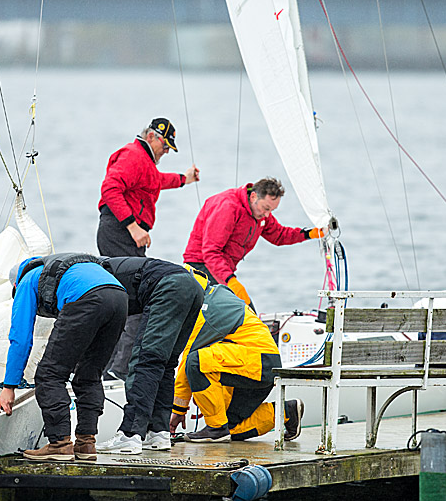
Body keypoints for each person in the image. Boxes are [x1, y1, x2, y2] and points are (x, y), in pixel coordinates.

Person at [0, 253, 128, 462]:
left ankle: (59, 444)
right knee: (89, 374)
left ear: (15, 284)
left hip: (86, 299)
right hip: (120, 298)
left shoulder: (27, 280)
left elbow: (20, 338)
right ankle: (86, 443)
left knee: (50, 375)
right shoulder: (61, 269)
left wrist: (9, 385)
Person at [97, 117, 200, 381]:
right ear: (153, 136)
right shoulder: (134, 156)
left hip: (124, 235)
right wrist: (133, 227)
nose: (167, 152)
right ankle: (117, 371)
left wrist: (184, 179)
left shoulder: (145, 162)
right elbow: (110, 189)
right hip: (120, 232)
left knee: (127, 299)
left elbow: (155, 181)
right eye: (166, 146)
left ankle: (112, 367)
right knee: (134, 300)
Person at [169, 268, 304, 443]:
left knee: (196, 362)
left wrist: (178, 410)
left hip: (258, 363)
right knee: (231, 429)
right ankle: (286, 412)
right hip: (259, 367)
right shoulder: (217, 294)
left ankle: (215, 429)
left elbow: (189, 361)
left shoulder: (205, 310)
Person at [95, 257, 205, 455]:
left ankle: (129, 435)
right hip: (193, 286)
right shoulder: (106, 271)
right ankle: (158, 432)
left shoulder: (96, 280)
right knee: (166, 363)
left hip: (168, 285)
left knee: (145, 361)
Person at [183, 177, 324, 309]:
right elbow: (211, 252)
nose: (268, 214)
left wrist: (309, 234)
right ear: (253, 196)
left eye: (272, 210)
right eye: (266, 208)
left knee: (245, 313)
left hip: (222, 271)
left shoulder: (259, 213)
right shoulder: (227, 207)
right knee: (242, 311)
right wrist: (230, 281)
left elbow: (279, 235)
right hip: (201, 268)